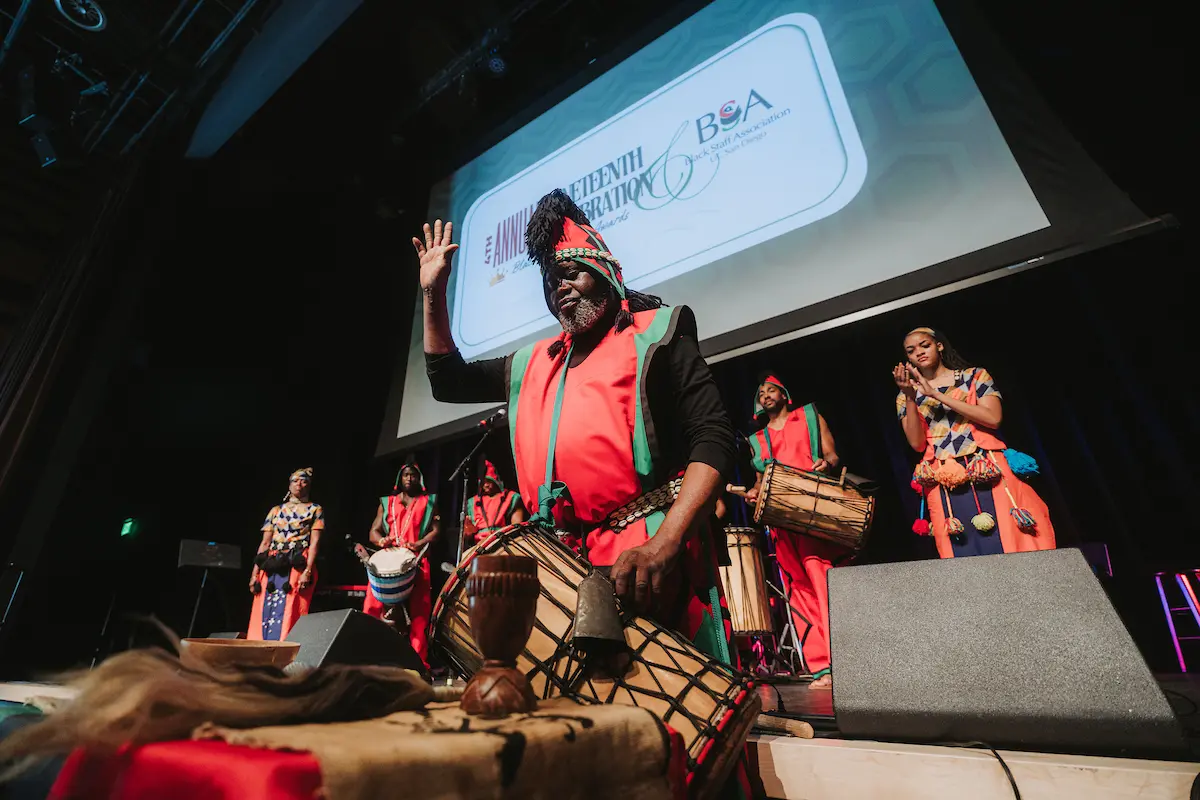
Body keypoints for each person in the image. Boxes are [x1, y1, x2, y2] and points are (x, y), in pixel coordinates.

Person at [416, 190, 738, 668]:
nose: (560, 288)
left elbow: (714, 439)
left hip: (643, 560)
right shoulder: (533, 362)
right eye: (550, 282)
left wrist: (665, 542)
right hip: (560, 566)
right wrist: (433, 294)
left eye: (571, 274)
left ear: (605, 275)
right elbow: (448, 381)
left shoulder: (657, 332)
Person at [893, 327, 1056, 558]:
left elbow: (993, 418)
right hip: (944, 479)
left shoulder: (975, 376)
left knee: (1009, 538)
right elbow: (917, 444)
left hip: (986, 468)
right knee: (963, 548)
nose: (918, 352)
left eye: (925, 345)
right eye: (911, 351)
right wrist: (910, 396)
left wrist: (936, 395)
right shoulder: (906, 395)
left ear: (939, 346)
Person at [743, 374, 841, 689]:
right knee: (798, 589)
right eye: (761, 392)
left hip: (813, 510)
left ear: (785, 395)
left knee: (822, 581)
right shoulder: (757, 440)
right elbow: (761, 482)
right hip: (782, 521)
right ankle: (821, 666)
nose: (766, 395)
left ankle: (844, 658)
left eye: (772, 390)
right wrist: (754, 492)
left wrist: (825, 465)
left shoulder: (809, 417)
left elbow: (832, 456)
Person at [362, 461, 439, 665]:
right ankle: (368, 659)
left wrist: (419, 543)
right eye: (405, 475)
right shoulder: (387, 503)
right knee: (371, 609)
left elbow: (436, 530)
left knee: (419, 615)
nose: (409, 478)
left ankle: (417, 664)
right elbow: (374, 531)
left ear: (419, 478)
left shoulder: (428, 502)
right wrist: (381, 541)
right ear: (399, 478)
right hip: (387, 562)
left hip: (417, 561)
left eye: (413, 475)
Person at [248, 467, 323, 641]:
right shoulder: (276, 510)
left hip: (297, 563)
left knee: (292, 607)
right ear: (289, 485)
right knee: (263, 609)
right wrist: (254, 574)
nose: (299, 484)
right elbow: (265, 543)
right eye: (295, 480)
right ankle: (258, 649)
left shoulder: (315, 509)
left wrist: (308, 570)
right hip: (272, 563)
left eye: (304, 481)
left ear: (309, 485)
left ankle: (286, 651)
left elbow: (315, 543)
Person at [463, 460, 527, 545]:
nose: (486, 485)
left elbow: (516, 526)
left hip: (502, 540)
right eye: (483, 482)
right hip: (478, 544)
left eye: (489, 481)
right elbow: (467, 535)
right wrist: (469, 531)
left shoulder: (510, 497)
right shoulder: (473, 502)